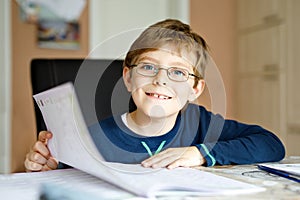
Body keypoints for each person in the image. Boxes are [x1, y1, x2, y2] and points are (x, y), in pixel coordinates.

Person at [24, 19, 285, 172]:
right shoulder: (92, 137)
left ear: (195, 89)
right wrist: (45, 164)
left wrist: (200, 153)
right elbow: (58, 176)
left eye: (178, 72)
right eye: (148, 67)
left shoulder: (202, 124)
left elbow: (271, 144)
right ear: (128, 78)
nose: (161, 79)